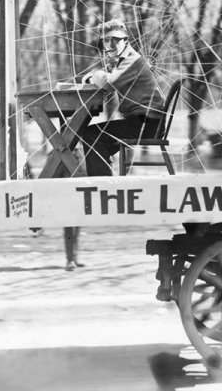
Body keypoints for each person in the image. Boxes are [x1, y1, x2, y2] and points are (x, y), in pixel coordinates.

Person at [74, 19, 165, 271]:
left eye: (116, 39)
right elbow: (110, 84)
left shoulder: (133, 60)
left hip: (147, 122)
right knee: (94, 134)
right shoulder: (123, 61)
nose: (111, 44)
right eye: (107, 40)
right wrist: (97, 75)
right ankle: (104, 178)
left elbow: (110, 83)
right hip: (141, 119)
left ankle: (103, 187)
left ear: (126, 41)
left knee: (91, 135)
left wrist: (94, 75)